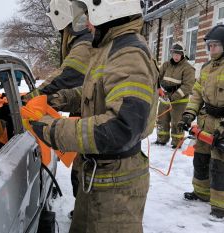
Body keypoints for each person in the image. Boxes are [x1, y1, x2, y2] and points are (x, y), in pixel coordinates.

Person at [30, 0, 159, 232]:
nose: (87, 24)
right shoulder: (110, 48)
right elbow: (95, 92)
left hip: (116, 187)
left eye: (90, 15)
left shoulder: (129, 54)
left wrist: (54, 130)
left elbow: (122, 127)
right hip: (101, 176)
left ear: (108, 9)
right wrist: (61, 98)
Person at [27, 0, 93, 215]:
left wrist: (35, 95)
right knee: (83, 169)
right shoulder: (82, 39)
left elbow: (69, 75)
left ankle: (87, 212)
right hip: (86, 112)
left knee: (88, 170)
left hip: (94, 117)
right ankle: (84, 209)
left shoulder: (84, 42)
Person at [178, 25, 224, 220]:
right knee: (201, 159)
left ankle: (220, 205)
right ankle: (201, 193)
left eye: (214, 46)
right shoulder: (205, 68)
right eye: (209, 46)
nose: (210, 49)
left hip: (222, 123)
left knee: (219, 165)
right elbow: (196, 93)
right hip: (205, 122)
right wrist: (189, 114)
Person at [154, 43, 195, 148]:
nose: (176, 56)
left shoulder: (188, 68)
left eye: (178, 54)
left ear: (182, 54)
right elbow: (158, 78)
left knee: (177, 122)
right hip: (165, 98)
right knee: (162, 120)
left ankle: (177, 143)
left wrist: (173, 97)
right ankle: (161, 139)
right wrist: (159, 89)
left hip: (179, 101)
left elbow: (188, 86)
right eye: (174, 54)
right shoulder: (166, 65)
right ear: (171, 54)